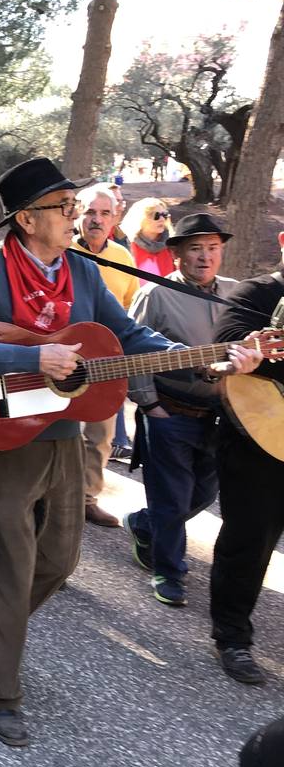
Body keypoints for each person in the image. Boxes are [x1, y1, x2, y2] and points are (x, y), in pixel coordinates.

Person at [0, 158, 255, 748]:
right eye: (63, 207)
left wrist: (197, 357)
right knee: (14, 565)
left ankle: (0, 607)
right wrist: (32, 358)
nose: (76, 215)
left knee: (60, 562)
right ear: (27, 219)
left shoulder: (81, 271)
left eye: (75, 205)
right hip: (3, 433)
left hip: (63, 434)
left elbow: (128, 336)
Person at [123, 213, 239, 607]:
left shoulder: (237, 296)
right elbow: (132, 353)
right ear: (176, 254)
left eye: (213, 249)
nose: (205, 258)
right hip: (168, 412)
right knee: (172, 498)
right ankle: (168, 572)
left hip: (219, 417)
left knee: (203, 493)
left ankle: (143, 523)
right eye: (195, 249)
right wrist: (150, 405)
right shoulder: (155, 294)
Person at [209, 229, 284, 684]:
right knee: (248, 542)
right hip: (256, 441)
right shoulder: (257, 292)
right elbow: (229, 344)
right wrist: (255, 353)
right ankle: (232, 637)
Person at [72, 186, 139, 528]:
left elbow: (129, 308)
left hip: (106, 359)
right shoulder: (62, 249)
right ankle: (48, 496)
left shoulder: (124, 258)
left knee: (101, 435)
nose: (96, 220)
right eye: (90, 212)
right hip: (63, 355)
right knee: (56, 429)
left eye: (104, 214)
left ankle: (86, 497)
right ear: (78, 214)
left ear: (115, 219)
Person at [120, 197, 174, 283]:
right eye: (156, 216)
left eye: (164, 215)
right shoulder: (127, 246)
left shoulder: (172, 246)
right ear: (141, 218)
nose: (162, 219)